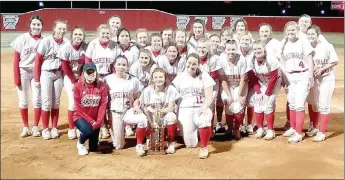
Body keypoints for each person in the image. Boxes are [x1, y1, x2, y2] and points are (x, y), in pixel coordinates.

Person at [276, 21, 314, 143]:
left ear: (297, 30)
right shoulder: (283, 43)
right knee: (291, 103)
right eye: (289, 30)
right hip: (290, 77)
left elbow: (309, 59)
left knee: (298, 104)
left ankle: (299, 132)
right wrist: (285, 71)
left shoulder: (303, 42)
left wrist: (310, 77)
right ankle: (293, 128)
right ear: (285, 31)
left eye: (293, 30)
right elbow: (279, 59)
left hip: (302, 75)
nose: (291, 32)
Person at [173, 53, 216, 159]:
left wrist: (204, 107)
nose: (191, 66)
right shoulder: (180, 77)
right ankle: (197, 132)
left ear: (198, 64)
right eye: (189, 63)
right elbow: (173, 95)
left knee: (204, 119)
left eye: (194, 64)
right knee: (190, 143)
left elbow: (209, 96)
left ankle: (204, 147)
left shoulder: (204, 76)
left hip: (200, 107)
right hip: (185, 109)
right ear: (185, 63)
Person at [85, 24, 122, 139]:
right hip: (97, 77)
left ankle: (109, 126)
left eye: (108, 33)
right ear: (98, 34)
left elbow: (120, 61)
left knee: (110, 103)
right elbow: (88, 62)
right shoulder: (93, 44)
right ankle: (100, 127)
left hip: (111, 77)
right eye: (103, 33)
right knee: (98, 103)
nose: (106, 35)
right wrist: (91, 78)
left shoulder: (115, 46)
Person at [34, 19, 68, 140]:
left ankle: (54, 127)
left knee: (56, 102)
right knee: (46, 102)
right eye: (59, 28)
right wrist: (37, 79)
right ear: (54, 28)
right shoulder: (46, 41)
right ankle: (45, 129)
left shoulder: (66, 43)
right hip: (46, 73)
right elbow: (38, 60)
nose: (62, 31)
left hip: (58, 74)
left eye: (64, 29)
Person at [10, 15, 44, 138]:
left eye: (38, 24)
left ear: (42, 26)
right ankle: (26, 127)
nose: (36, 27)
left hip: (38, 73)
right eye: (34, 24)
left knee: (37, 100)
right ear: (30, 25)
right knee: (23, 100)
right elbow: (16, 60)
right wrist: (16, 77)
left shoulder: (44, 40)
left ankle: (35, 126)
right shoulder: (22, 38)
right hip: (23, 71)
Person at [136, 68, 180, 155]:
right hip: (151, 118)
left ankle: (170, 143)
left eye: (161, 77)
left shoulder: (170, 89)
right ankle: (139, 145)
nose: (158, 79)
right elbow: (144, 108)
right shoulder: (147, 90)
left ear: (165, 78)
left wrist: (159, 110)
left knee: (172, 116)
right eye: (156, 77)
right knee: (142, 119)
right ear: (152, 79)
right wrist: (151, 122)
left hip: (164, 117)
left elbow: (170, 108)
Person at [305, 25, 339, 141]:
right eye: (308, 34)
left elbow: (335, 61)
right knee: (315, 104)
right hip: (314, 80)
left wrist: (323, 69)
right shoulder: (306, 48)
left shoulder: (327, 46)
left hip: (326, 78)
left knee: (324, 105)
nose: (310, 36)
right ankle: (315, 127)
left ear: (318, 35)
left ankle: (322, 132)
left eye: (313, 34)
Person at [103, 55, 144, 150]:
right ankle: (117, 135)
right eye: (119, 64)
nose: (121, 67)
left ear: (127, 67)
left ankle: (142, 141)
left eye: (124, 65)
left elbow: (137, 97)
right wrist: (106, 119)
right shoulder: (107, 79)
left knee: (143, 120)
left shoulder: (133, 80)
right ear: (114, 65)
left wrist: (136, 106)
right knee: (119, 146)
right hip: (115, 113)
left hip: (129, 111)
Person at [73, 62, 108, 155]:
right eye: (88, 72)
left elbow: (103, 105)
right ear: (83, 73)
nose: (90, 75)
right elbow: (78, 108)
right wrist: (91, 122)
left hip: (95, 119)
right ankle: (80, 142)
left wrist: (99, 121)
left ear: (96, 73)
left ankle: (88, 132)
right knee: (88, 131)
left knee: (93, 148)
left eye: (92, 72)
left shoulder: (102, 86)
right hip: (80, 117)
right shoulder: (77, 86)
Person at [58, 26, 87, 140]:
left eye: (80, 35)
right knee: (73, 102)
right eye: (75, 34)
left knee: (83, 103)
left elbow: (86, 64)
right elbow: (65, 66)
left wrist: (81, 78)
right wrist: (74, 81)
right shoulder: (66, 47)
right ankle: (71, 128)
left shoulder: (85, 47)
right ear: (71, 35)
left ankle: (80, 127)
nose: (78, 37)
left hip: (82, 77)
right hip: (69, 77)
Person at [218, 40, 250, 140]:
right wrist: (230, 96)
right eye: (228, 49)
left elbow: (243, 79)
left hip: (240, 85)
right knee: (229, 104)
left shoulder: (241, 60)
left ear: (237, 49)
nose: (231, 52)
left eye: (233, 49)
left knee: (239, 104)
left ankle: (236, 129)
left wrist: (239, 95)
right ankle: (229, 128)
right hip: (227, 85)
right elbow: (223, 79)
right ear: (225, 50)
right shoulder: (221, 59)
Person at [249, 40, 281, 140]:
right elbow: (252, 78)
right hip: (261, 82)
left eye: (259, 48)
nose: (257, 51)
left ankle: (270, 130)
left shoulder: (271, 59)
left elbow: (274, 78)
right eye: (255, 49)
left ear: (264, 49)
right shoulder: (251, 60)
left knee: (268, 103)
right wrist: (258, 92)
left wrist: (267, 93)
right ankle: (260, 128)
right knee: (258, 103)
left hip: (274, 83)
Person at [196, 38, 221, 137]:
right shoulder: (194, 58)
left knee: (209, 106)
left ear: (209, 49)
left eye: (204, 47)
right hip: (198, 87)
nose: (201, 50)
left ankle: (210, 130)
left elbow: (214, 76)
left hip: (212, 86)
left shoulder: (214, 59)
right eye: (199, 47)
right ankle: (198, 129)